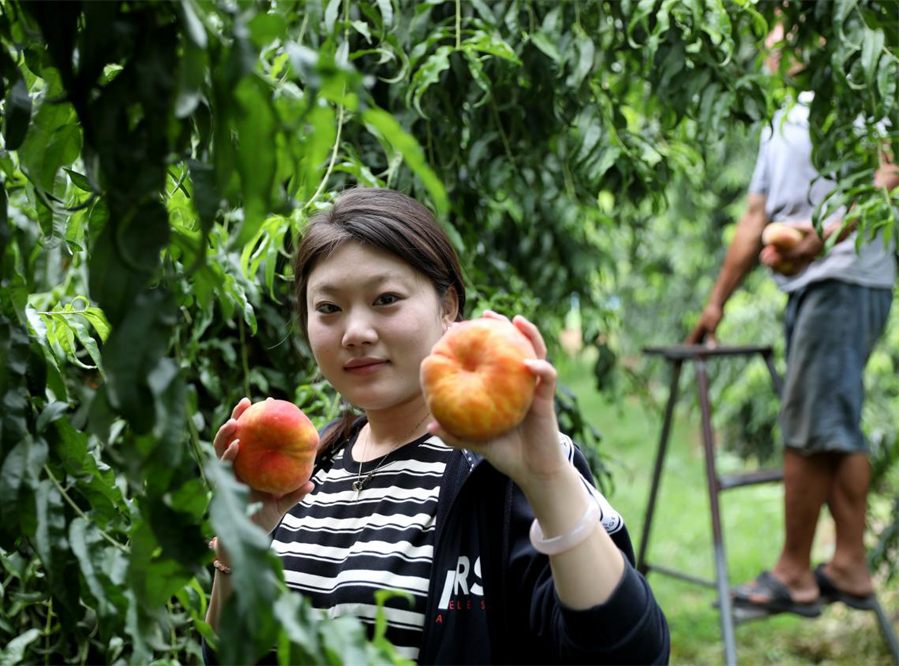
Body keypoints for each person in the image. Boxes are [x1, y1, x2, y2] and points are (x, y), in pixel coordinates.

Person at [201, 188, 669, 664]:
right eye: (328, 308)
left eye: (386, 299)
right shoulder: (306, 471)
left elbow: (629, 653)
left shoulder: (505, 469)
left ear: (448, 307)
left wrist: (546, 478)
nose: (355, 332)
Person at [687, 34, 898, 616]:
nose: (771, 49)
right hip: (813, 280)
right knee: (827, 423)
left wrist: (817, 241)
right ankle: (850, 565)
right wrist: (715, 304)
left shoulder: (857, 92)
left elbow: (889, 174)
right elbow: (756, 215)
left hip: (845, 275)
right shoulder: (781, 116)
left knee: (810, 430)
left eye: (785, 36)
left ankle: (796, 572)